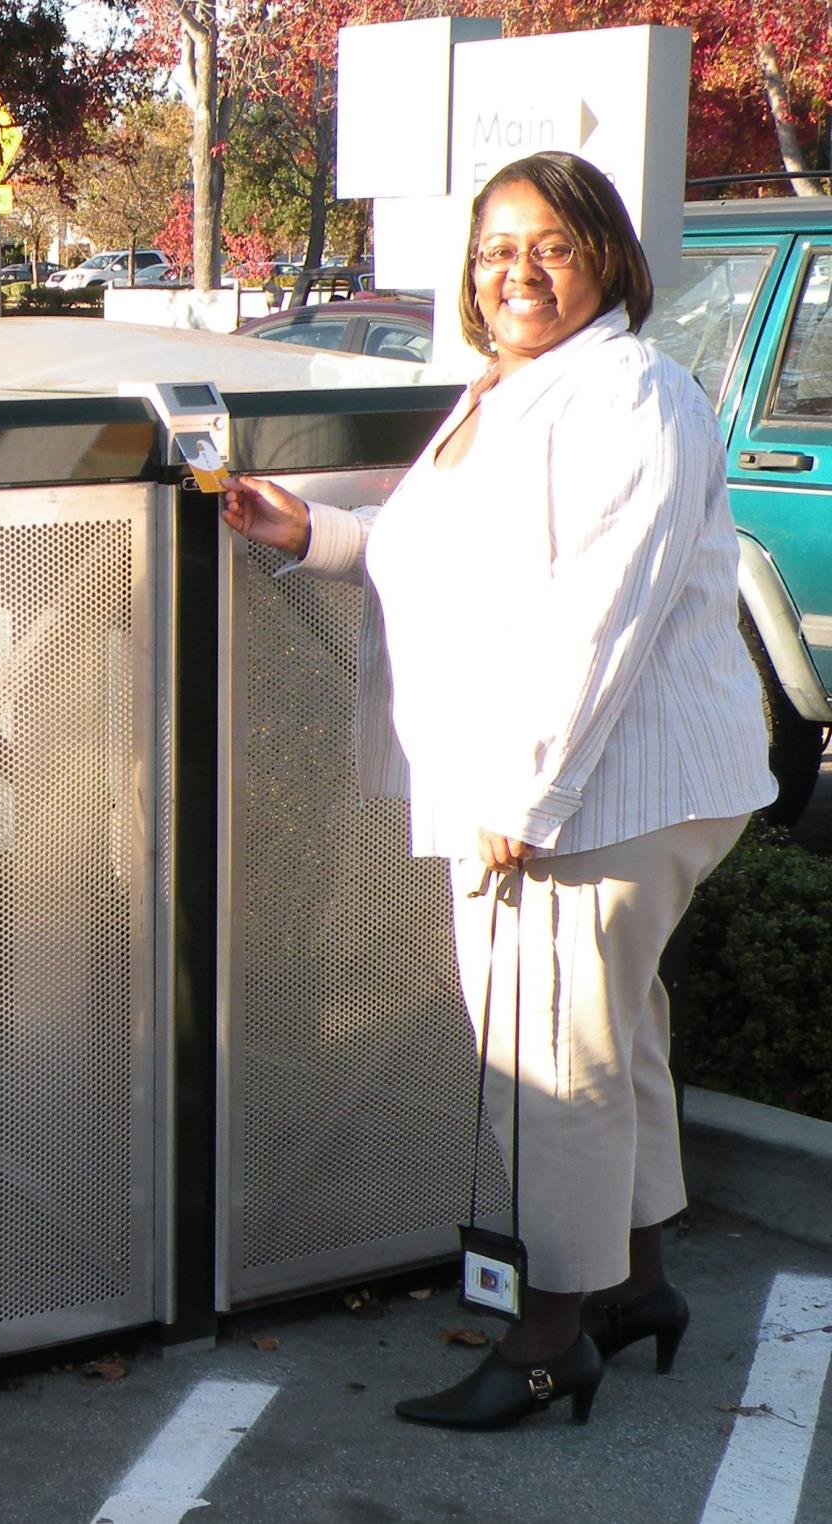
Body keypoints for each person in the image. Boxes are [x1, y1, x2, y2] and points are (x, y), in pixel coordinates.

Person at [220, 150, 774, 1430]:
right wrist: (308, 532)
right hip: (596, 783)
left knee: (547, 1063)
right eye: (492, 248)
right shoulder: (520, 388)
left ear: (606, 259)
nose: (514, 271)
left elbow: (600, 620)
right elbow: (443, 555)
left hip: (598, 792)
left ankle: (547, 1338)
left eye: (549, 246)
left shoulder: (630, 393)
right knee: (609, 1035)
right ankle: (632, 1286)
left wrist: (524, 804)